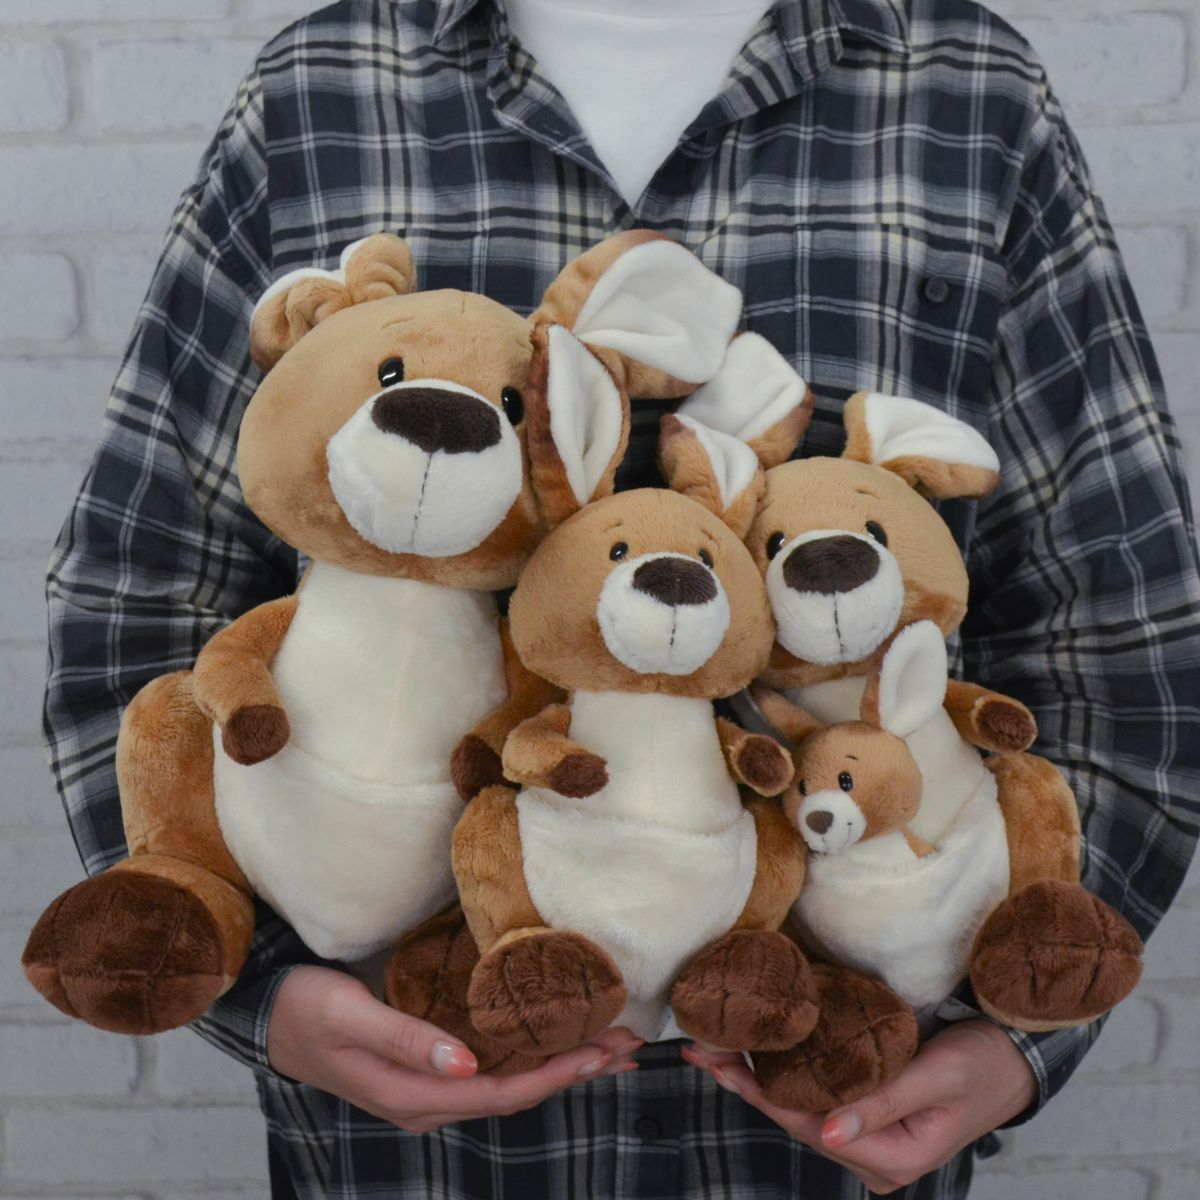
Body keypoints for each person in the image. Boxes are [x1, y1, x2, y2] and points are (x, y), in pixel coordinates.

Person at [41, 0, 1200, 1196]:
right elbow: (135, 599)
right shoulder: (319, 94)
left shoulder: (972, 96)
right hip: (409, 1161)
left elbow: (1129, 633)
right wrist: (259, 992)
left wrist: (1020, 1033)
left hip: (821, 1124)